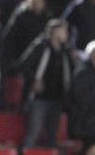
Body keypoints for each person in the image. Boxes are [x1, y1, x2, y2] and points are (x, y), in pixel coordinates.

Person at [19, 19, 73, 148]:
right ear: (54, 32)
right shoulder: (41, 46)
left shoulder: (65, 51)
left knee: (52, 135)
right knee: (33, 133)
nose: (66, 34)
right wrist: (34, 81)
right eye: (63, 30)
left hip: (58, 98)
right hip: (40, 98)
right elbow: (23, 65)